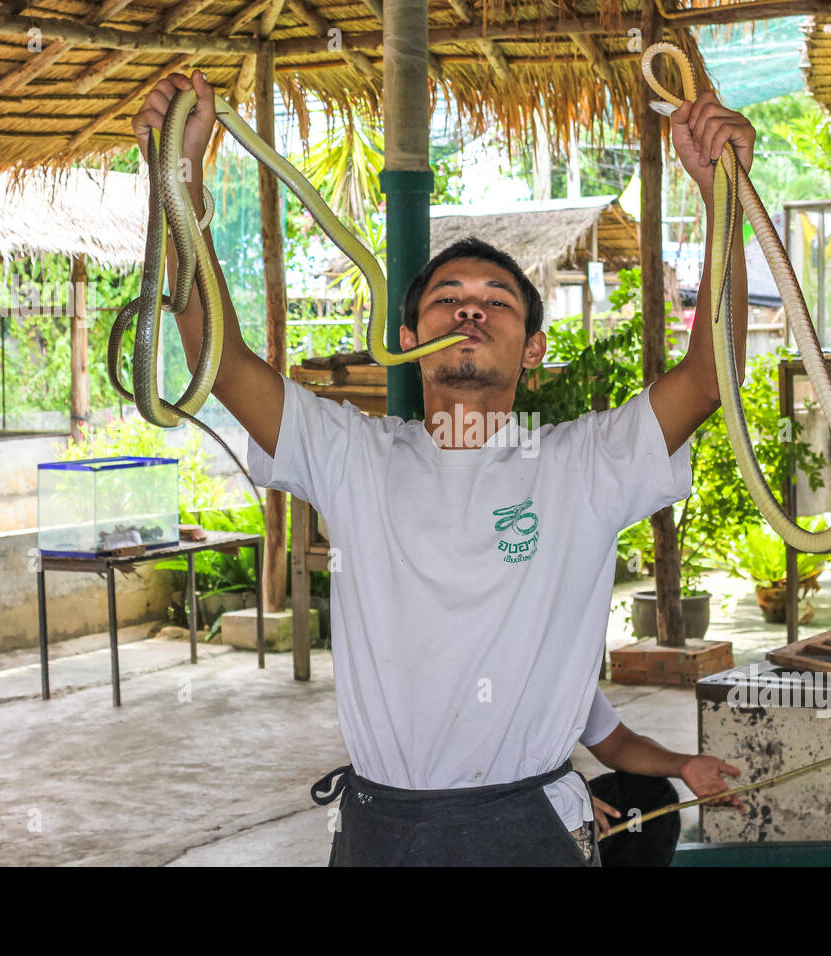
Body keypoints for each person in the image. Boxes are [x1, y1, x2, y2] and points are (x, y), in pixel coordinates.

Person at [131, 71, 755, 866]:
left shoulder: (581, 465)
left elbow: (711, 378)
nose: (470, 308)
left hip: (529, 830)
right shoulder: (352, 455)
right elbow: (217, 360)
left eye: (498, 300)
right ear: (405, 335)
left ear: (533, 348)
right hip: (379, 832)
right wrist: (174, 181)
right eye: (446, 297)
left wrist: (724, 197)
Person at [579, 687, 744, 867]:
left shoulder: (576, 680)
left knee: (649, 793)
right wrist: (561, 804)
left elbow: (617, 743)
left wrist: (682, 764)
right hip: (545, 809)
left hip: (560, 796)